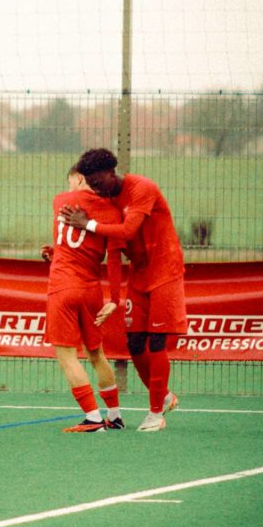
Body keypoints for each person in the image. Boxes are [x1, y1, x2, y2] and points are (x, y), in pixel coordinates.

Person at [60, 148, 185, 432]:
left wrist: (88, 224)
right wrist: (114, 299)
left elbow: (128, 231)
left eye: (98, 182)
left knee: (156, 341)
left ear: (111, 172)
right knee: (135, 343)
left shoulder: (142, 188)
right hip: (139, 274)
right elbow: (114, 252)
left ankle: (156, 413)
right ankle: (165, 395)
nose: (96, 189)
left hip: (165, 270)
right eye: (90, 185)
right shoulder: (108, 201)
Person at [41, 167, 125, 432]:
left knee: (67, 356)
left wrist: (58, 255)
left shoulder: (60, 200)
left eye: (71, 181)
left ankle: (93, 418)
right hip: (91, 289)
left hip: (63, 287)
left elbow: (69, 240)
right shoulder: (111, 211)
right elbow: (108, 255)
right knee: (96, 353)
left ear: (79, 177)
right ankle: (115, 415)